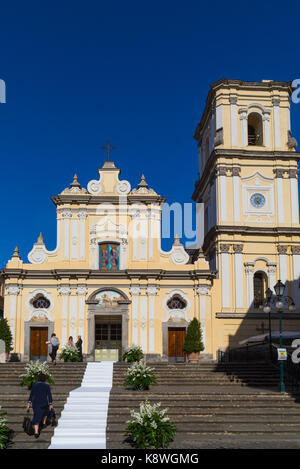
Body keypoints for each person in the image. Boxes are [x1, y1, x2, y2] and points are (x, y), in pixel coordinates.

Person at [26, 372, 53, 438]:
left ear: (38, 379)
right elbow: (49, 395)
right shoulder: (47, 386)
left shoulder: (34, 385)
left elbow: (31, 395)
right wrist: (50, 403)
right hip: (44, 402)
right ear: (44, 379)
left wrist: (29, 403)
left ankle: (36, 432)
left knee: (36, 416)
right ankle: (43, 423)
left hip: (36, 403)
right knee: (45, 412)